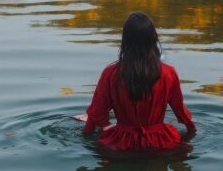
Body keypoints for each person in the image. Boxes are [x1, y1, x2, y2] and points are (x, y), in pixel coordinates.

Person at [75, 12, 196, 150]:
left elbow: (97, 114)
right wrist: (191, 131)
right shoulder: (169, 73)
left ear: (125, 41)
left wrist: (87, 135)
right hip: (161, 144)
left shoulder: (111, 74)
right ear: (153, 39)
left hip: (120, 144)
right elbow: (180, 111)